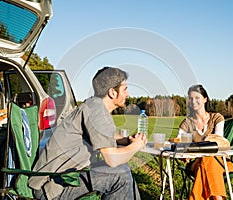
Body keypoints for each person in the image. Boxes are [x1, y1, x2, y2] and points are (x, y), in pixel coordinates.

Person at [28, 67, 147, 200]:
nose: (128, 94)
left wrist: (126, 140)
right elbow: (112, 159)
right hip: (52, 187)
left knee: (122, 171)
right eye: (125, 89)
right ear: (112, 92)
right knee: (120, 174)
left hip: (61, 178)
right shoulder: (97, 111)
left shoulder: (94, 106)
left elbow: (108, 134)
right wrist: (136, 146)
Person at [177, 84, 233, 200]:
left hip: (221, 161)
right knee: (205, 162)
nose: (194, 101)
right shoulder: (187, 123)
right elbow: (178, 142)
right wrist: (183, 153)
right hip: (196, 162)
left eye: (197, 98)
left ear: (205, 99)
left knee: (207, 163)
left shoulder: (217, 118)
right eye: (191, 98)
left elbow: (217, 143)